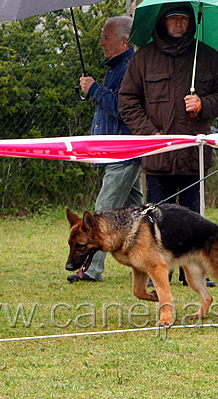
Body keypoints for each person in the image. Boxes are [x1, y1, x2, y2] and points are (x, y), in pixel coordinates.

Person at [119, 3, 218, 287]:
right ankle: (160, 272)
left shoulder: (208, 57)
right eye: (173, 19)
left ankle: (194, 272)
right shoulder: (143, 58)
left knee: (195, 221)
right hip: (158, 157)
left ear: (191, 22)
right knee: (156, 220)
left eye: (183, 19)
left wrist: (203, 104)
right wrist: (150, 133)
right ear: (163, 23)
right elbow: (127, 100)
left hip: (194, 155)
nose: (179, 24)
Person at [67, 16, 144, 283]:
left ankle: (91, 270)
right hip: (113, 152)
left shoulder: (130, 68)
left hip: (124, 152)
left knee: (102, 211)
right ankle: (152, 261)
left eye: (107, 37)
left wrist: (95, 89)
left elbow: (125, 109)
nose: (102, 42)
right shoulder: (115, 68)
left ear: (125, 41)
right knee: (140, 213)